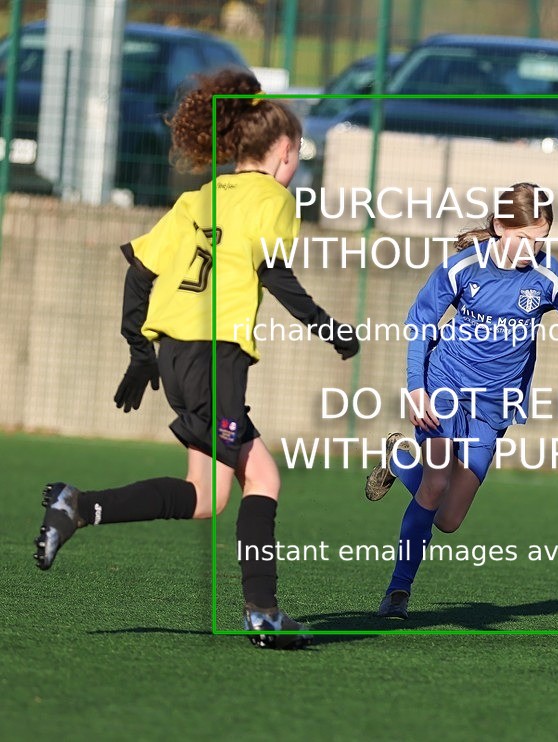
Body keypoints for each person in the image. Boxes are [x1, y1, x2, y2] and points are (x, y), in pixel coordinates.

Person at [32, 69, 359, 650]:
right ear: (283, 152)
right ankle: (259, 610)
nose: (294, 163)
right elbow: (274, 272)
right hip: (217, 358)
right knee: (228, 489)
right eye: (296, 152)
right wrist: (330, 329)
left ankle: (83, 508)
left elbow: (140, 271)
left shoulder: (198, 197)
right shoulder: (274, 199)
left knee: (232, 486)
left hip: (177, 355)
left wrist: (140, 353)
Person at [364, 182, 558, 619]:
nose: (531, 250)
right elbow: (421, 322)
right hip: (445, 385)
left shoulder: (549, 277)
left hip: (494, 407)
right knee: (435, 484)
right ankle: (398, 592)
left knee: (449, 520)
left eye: (541, 240)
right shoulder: (463, 268)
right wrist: (416, 387)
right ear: (500, 226)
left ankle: (400, 459)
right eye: (523, 238)